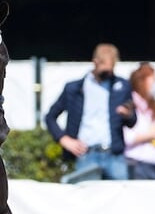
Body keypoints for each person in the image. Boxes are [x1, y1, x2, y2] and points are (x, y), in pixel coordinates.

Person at [45, 43, 136, 181]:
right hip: (86, 155)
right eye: (105, 71)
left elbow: (133, 121)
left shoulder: (122, 86)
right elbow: (50, 117)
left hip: (115, 156)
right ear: (95, 62)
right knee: (86, 199)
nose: (109, 74)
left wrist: (129, 115)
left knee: (120, 199)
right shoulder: (74, 89)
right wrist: (65, 140)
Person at [123, 62, 155, 179]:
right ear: (142, 81)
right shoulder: (130, 105)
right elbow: (126, 138)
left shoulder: (153, 107)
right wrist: (150, 135)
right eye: (152, 79)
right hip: (137, 165)